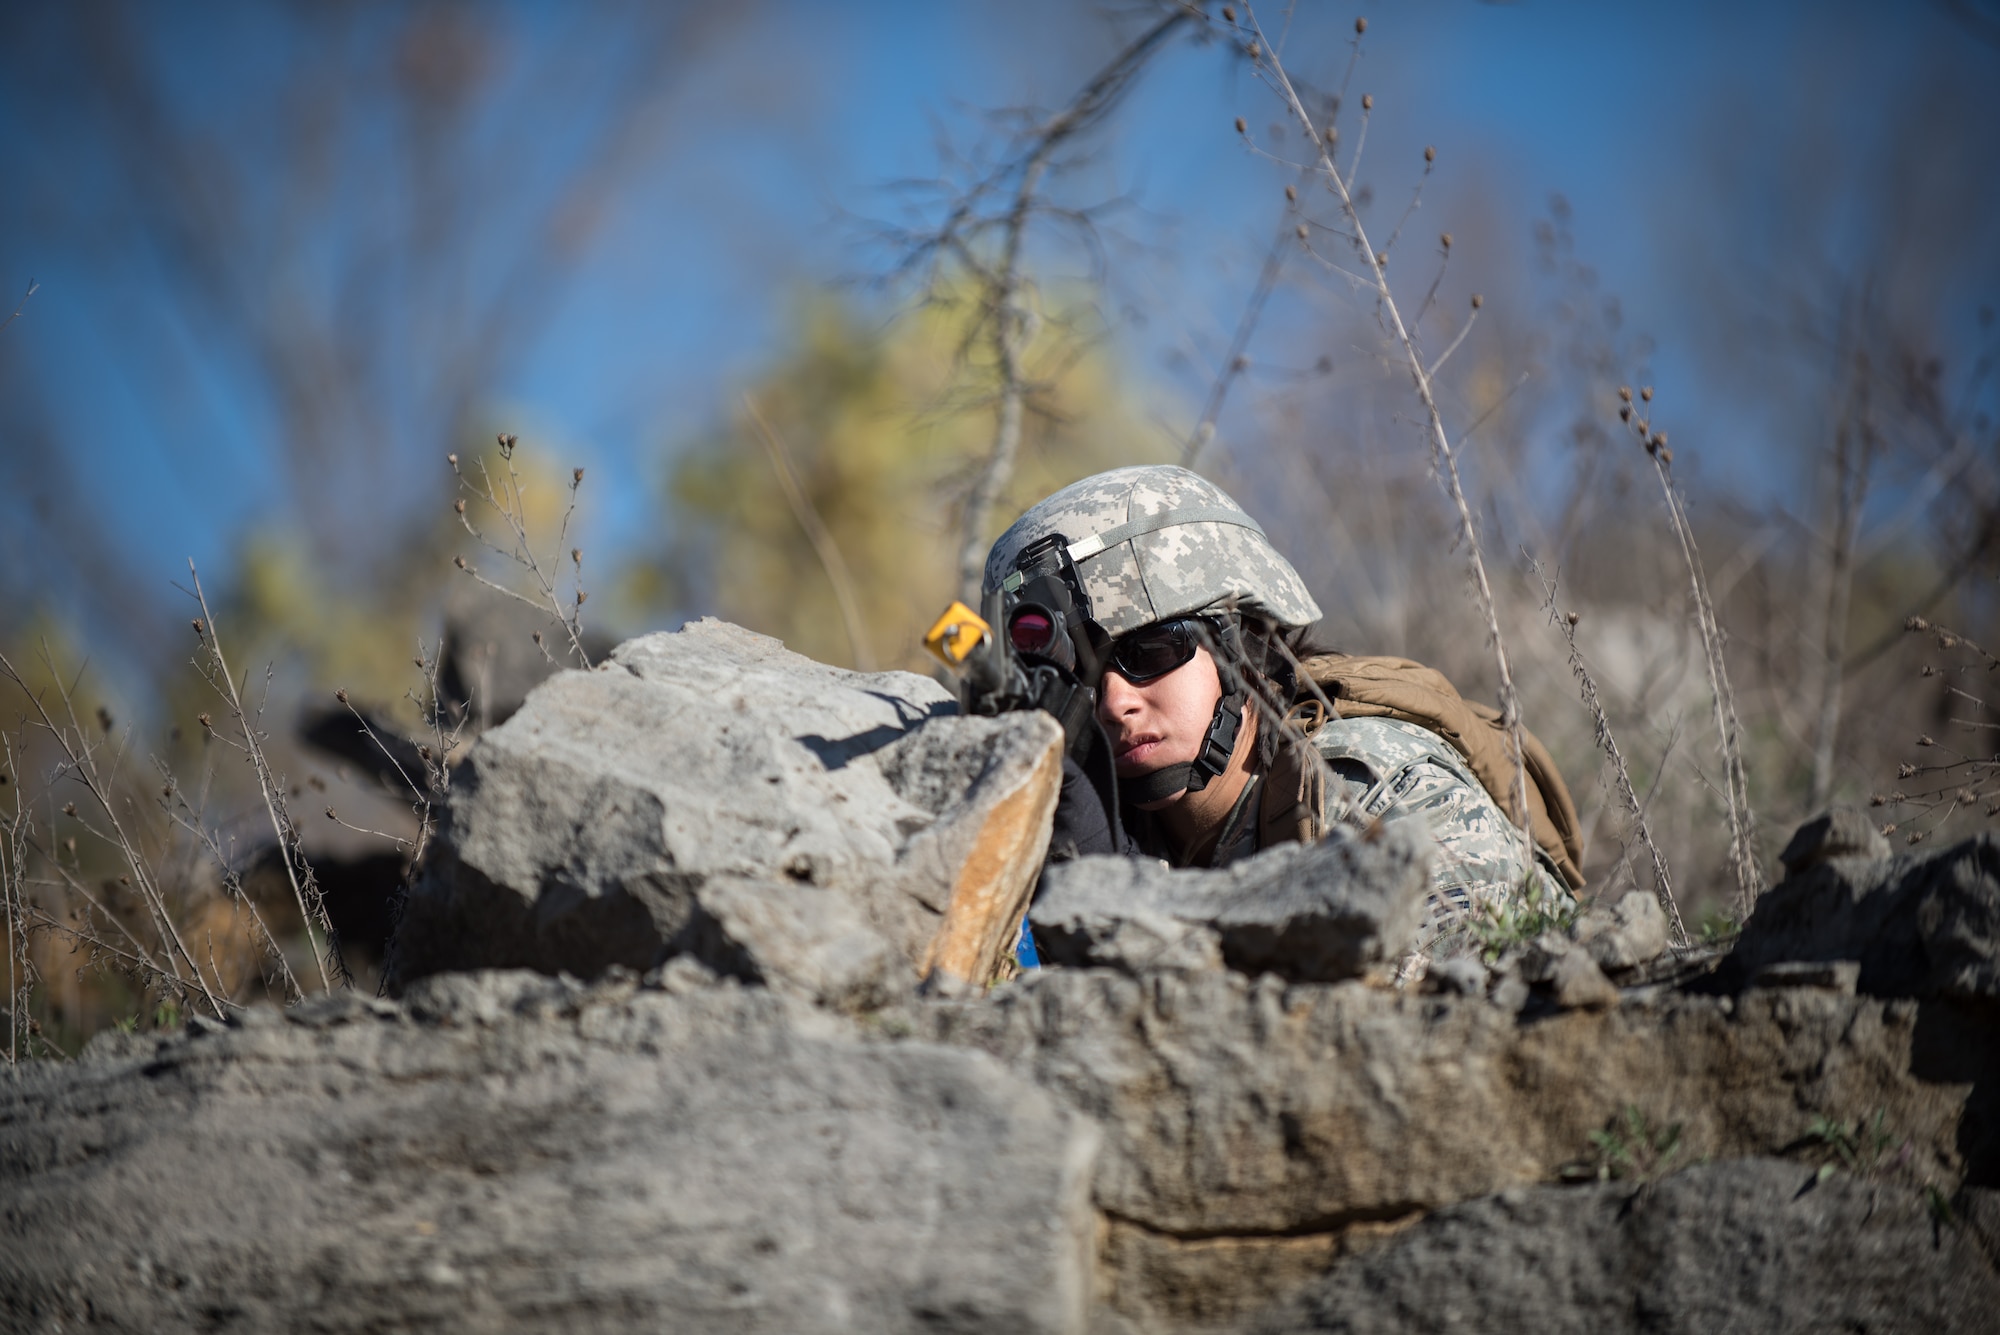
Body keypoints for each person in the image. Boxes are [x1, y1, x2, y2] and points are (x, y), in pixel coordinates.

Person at [981, 464, 1582, 972]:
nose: (1114, 703)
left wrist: (1115, 913)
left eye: (1150, 652)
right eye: (1081, 676)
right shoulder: (1084, 821)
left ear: (1241, 647)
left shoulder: (1379, 796)